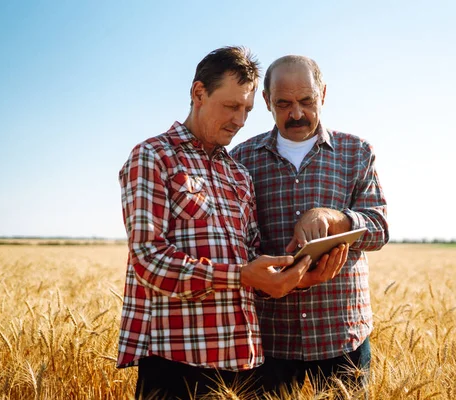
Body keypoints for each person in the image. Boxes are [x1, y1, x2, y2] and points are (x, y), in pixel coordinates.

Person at [116, 47, 321, 400]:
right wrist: (240, 275)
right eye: (231, 106)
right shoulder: (153, 156)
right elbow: (148, 258)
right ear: (198, 93)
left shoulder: (238, 173)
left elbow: (251, 258)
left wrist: (292, 277)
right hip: (174, 360)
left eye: (247, 110)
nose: (240, 120)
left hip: (240, 361)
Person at [231, 55, 389, 396]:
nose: (297, 114)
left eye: (307, 101)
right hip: (271, 337)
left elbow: (379, 228)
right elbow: (237, 246)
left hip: (341, 334)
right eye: (284, 104)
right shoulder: (241, 159)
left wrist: (334, 217)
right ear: (266, 102)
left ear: (324, 94)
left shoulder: (357, 152)